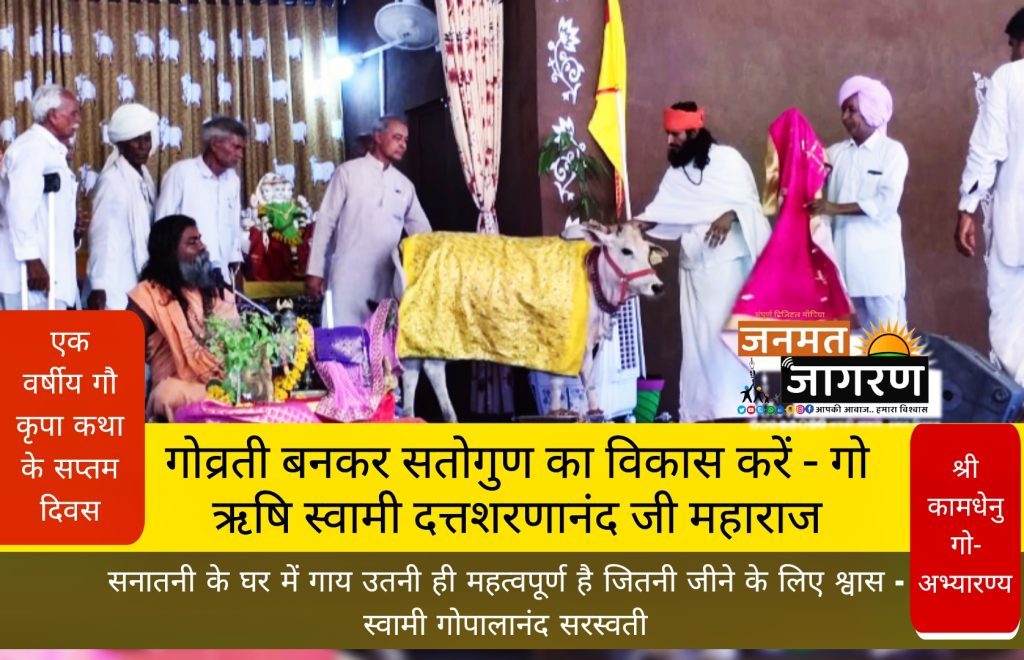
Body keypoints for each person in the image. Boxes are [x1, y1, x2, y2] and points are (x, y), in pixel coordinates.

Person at [637, 101, 771, 422]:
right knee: (702, 350)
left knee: (734, 344)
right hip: (695, 272)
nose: (670, 141)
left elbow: (753, 208)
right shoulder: (676, 174)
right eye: (668, 134)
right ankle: (707, 412)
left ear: (695, 132)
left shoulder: (729, 161)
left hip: (730, 270)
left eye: (676, 135)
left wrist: (729, 215)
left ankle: (748, 411)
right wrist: (632, 225)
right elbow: (660, 212)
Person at [306, 116, 431, 326]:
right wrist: (315, 270)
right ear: (378, 137)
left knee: (379, 341)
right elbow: (325, 222)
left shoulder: (405, 185)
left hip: (385, 282)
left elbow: (424, 235)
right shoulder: (347, 173)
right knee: (341, 340)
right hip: (346, 279)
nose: (403, 144)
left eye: (405, 140)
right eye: (397, 138)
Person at [807, 75, 909, 332]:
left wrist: (834, 208)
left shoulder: (892, 152)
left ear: (870, 109)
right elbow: (808, 171)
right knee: (857, 344)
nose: (845, 117)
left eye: (851, 110)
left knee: (890, 343)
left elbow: (886, 202)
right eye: (843, 110)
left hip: (880, 271)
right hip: (845, 271)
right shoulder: (835, 154)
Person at [956, 7, 1024, 386]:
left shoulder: (1009, 78)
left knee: (1013, 328)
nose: (1011, 53)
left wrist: (967, 208)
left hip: (1017, 229)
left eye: (1013, 44)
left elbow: (986, 149)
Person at [127, 215, 238, 422]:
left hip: (223, 388)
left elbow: (238, 349)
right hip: (178, 396)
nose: (202, 247)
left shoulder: (217, 294)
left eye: (200, 239)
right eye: (192, 242)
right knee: (166, 393)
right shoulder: (149, 295)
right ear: (169, 252)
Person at [0, 85, 81, 310]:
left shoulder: (49, 149)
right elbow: (19, 206)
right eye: (73, 113)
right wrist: (32, 260)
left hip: (51, 274)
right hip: (31, 279)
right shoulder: (32, 147)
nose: (78, 120)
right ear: (53, 115)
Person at [154, 116, 247, 286]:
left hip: (221, 279)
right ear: (215, 144)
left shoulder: (233, 180)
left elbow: (234, 231)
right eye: (236, 147)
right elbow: (162, 228)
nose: (240, 155)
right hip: (185, 278)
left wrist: (236, 275)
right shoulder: (181, 173)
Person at [85, 103, 159, 310]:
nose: (143, 146)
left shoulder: (145, 178)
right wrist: (98, 285)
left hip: (139, 277)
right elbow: (101, 235)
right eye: (136, 140)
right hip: (113, 281)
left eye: (147, 139)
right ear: (122, 144)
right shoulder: (112, 181)